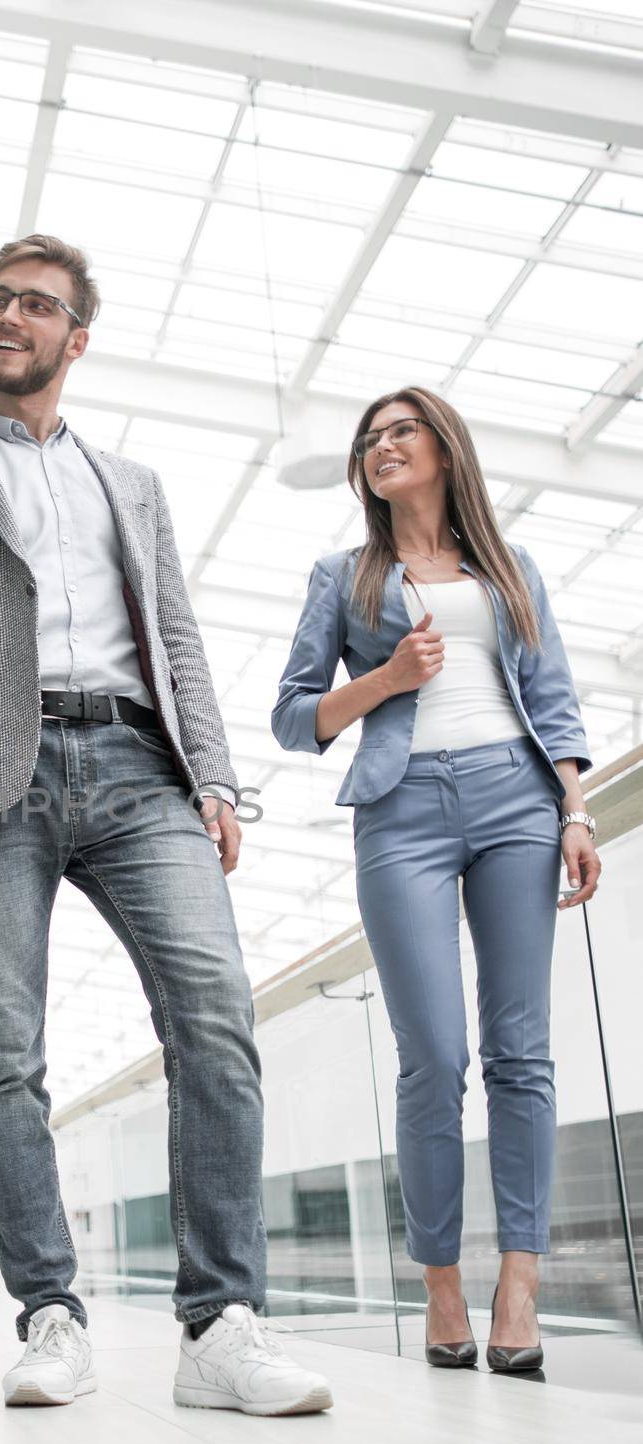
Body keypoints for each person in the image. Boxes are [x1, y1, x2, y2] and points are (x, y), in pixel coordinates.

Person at [0, 233, 332, 1417]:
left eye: (36, 305)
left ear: (77, 338)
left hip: (140, 768)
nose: (8, 317)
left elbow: (174, 633)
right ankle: (50, 1316)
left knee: (216, 1021)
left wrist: (217, 779)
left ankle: (219, 1323)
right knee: (5, 1057)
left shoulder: (132, 483)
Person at [272, 387, 600, 1374]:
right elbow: (295, 718)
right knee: (432, 1056)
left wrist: (575, 811)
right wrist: (383, 680)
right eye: (369, 439)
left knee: (520, 1053)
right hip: (400, 809)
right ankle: (441, 1285)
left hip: (516, 802)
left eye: (399, 432)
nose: (381, 447)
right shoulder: (342, 576)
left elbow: (555, 696)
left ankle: (518, 1284)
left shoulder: (509, 568)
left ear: (444, 449)